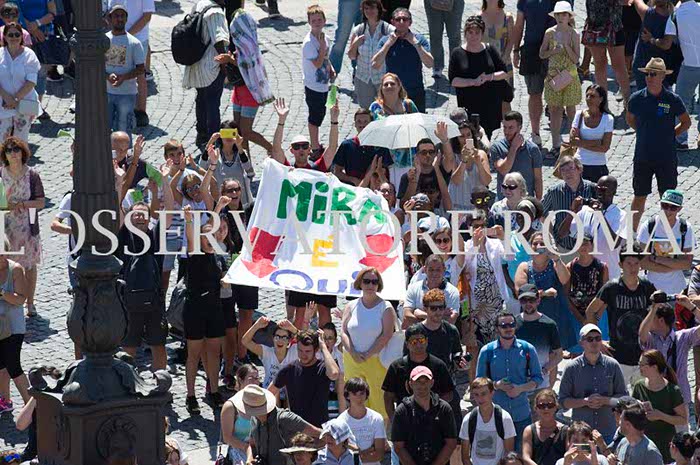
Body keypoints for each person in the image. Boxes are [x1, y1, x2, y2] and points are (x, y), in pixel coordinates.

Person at [626, 58, 691, 231]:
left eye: (653, 74)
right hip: (643, 156)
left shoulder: (672, 99)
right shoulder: (636, 98)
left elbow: (686, 122)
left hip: (666, 157)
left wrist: (670, 135)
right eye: (647, 73)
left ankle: (667, 234)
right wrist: (643, 131)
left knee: (667, 198)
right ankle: (631, 233)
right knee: (639, 196)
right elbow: (630, 119)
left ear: (662, 76)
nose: (649, 77)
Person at [117, 177, 173, 372]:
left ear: (149, 218)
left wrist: (164, 181)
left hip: (154, 301)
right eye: (136, 214)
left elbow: (169, 211)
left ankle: (161, 382)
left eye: (143, 214)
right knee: (128, 348)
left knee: (158, 346)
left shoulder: (156, 234)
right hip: (128, 302)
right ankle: (126, 383)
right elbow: (117, 210)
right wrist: (119, 183)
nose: (140, 217)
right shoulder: (123, 235)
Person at [585, 244, 657, 386]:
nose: (633, 268)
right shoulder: (612, 288)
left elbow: (657, 311)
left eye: (636, 263)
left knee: (641, 395)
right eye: (629, 263)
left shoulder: (646, 286)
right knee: (617, 395)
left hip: (642, 355)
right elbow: (590, 311)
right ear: (620, 265)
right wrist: (598, 340)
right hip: (617, 354)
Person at [476, 312, 544, 448]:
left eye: (511, 325)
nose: (508, 328)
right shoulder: (487, 351)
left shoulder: (527, 349)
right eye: (504, 325)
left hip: (521, 413)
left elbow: (538, 378)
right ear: (497, 328)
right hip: (495, 414)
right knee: (496, 454)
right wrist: (496, 385)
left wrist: (520, 388)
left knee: (520, 454)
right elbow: (478, 382)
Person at [182, 204, 226, 415]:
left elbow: (212, 227)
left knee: (214, 353)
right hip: (195, 310)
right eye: (206, 238)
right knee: (194, 353)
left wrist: (225, 281)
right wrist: (189, 219)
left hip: (214, 309)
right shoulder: (195, 253)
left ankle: (214, 390)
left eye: (214, 237)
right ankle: (190, 395)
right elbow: (192, 234)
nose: (211, 240)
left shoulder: (218, 257)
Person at [340, 267, 396, 419]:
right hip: (352, 360)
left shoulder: (386, 307)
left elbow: (387, 334)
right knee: (354, 400)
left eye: (374, 282)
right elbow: (343, 332)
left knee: (379, 402)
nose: (370, 285)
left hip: (376, 360)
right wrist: (353, 352)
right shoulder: (351, 305)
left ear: (379, 285)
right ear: (360, 283)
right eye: (366, 281)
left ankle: (380, 432)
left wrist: (368, 354)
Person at [559, 324, 627, 443]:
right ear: (581, 343)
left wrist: (605, 400)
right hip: (581, 436)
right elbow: (563, 401)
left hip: (608, 433)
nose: (594, 342)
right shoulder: (572, 368)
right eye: (590, 339)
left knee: (608, 456)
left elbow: (624, 399)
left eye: (598, 338)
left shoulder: (613, 365)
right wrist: (585, 402)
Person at [0, 137, 44, 318]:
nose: (13, 154)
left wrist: (23, 204)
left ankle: (30, 303)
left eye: (16, 149)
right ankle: (10, 299)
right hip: (5, 228)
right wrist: (8, 206)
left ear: (22, 152)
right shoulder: (1, 174)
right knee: (5, 265)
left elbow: (41, 202)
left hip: (27, 227)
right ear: (4, 155)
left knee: (30, 266)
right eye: (9, 150)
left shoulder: (32, 175)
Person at [448, 15, 510, 140]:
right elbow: (453, 80)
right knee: (470, 135)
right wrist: (473, 82)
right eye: (470, 32)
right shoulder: (457, 53)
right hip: (468, 102)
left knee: (487, 135)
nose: (474, 36)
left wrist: (489, 77)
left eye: (477, 33)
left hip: (490, 102)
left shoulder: (490, 49)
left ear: (482, 34)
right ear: (465, 33)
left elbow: (504, 72)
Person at [382, 323, 456, 420]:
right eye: (414, 342)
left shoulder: (438, 365)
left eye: (421, 340)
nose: (418, 345)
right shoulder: (396, 367)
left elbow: (448, 393)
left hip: (432, 420)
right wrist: (394, 420)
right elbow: (388, 396)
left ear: (427, 341)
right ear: (407, 344)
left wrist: (434, 409)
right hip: (406, 420)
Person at [514, 232, 574, 350]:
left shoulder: (555, 264)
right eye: (535, 243)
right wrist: (544, 293)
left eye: (542, 243)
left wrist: (557, 259)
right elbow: (520, 292)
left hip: (556, 316)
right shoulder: (524, 267)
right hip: (531, 317)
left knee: (555, 353)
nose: (538, 246)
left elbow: (565, 280)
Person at [269, 329, 340, 427]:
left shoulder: (323, 368)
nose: (303, 355)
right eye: (300, 350)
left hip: (320, 429)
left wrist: (323, 346)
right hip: (296, 430)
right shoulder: (289, 370)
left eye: (307, 351)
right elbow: (269, 393)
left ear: (316, 350)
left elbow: (334, 374)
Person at [639, 299, 700, 409]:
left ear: (661, 320)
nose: (647, 320)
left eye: (651, 317)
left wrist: (691, 306)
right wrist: (654, 308)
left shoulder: (683, 337)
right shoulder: (651, 339)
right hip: (656, 398)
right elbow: (642, 334)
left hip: (681, 398)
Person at [183, 0, 228, 147]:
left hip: (196, 62)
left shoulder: (199, 5)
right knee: (212, 102)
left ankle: (201, 134)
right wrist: (224, 64)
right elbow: (219, 40)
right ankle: (213, 139)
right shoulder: (216, 12)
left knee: (201, 99)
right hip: (211, 65)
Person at [391, 366, 458, 465]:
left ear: (432, 383)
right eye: (418, 381)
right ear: (410, 384)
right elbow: (398, 446)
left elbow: (451, 443)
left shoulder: (444, 409)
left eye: (426, 381)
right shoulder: (402, 411)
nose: (422, 385)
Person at [656, 0, 700, 151]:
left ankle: (681, 140)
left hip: (689, 64)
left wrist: (653, 41)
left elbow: (667, 44)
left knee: (681, 102)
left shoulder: (676, 14)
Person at [510, 0, 555, 148]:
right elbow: (519, 24)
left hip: (555, 51)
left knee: (556, 95)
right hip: (531, 50)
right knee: (534, 93)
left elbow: (569, 21)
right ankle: (535, 134)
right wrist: (516, 50)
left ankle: (556, 139)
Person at [240, 385, 322, 465]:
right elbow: (252, 444)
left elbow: (321, 434)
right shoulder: (254, 419)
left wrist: (307, 453)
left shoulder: (285, 418)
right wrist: (250, 459)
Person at [539, 1, 581, 158]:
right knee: (554, 110)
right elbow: (542, 54)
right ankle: (556, 144)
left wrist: (566, 46)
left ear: (569, 17)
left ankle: (572, 144)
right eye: (558, 15)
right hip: (554, 75)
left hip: (569, 75)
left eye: (564, 14)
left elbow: (576, 59)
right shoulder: (550, 32)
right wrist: (553, 51)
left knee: (571, 110)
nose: (561, 17)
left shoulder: (574, 34)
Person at [464, 216, 513, 347]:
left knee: (498, 336)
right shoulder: (466, 246)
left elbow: (510, 256)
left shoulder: (495, 244)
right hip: (476, 302)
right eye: (476, 226)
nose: (480, 229)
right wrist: (475, 246)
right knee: (479, 338)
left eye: (482, 226)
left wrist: (504, 238)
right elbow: (464, 267)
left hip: (496, 298)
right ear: (469, 228)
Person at [372, 8, 433, 112]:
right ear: (392, 22)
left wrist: (415, 43)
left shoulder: (419, 39)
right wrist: (388, 44)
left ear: (410, 22)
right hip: (393, 93)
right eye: (398, 19)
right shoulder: (385, 40)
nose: (401, 22)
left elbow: (430, 63)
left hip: (415, 90)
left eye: (405, 19)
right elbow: (375, 64)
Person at [565, 176, 626, 281]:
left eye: (603, 190)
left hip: (609, 275)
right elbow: (562, 233)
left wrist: (600, 215)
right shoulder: (585, 211)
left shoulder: (621, 215)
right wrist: (572, 211)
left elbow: (614, 243)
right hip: (584, 274)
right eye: (597, 189)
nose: (599, 193)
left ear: (613, 192)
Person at [632, 349, 687, 463]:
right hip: (644, 444)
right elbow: (632, 412)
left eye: (642, 365)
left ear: (654, 367)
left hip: (665, 445)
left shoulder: (672, 391)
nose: (639, 368)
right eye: (639, 364)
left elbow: (683, 419)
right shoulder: (638, 387)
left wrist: (660, 416)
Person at [637, 189, 695, 295]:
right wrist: (672, 266)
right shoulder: (649, 226)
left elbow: (687, 263)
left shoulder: (685, 228)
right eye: (665, 206)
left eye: (673, 207)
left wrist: (657, 259)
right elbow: (643, 262)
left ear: (679, 209)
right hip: (651, 287)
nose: (668, 211)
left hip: (677, 288)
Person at [108, 0, 155, 128]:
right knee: (116, 71)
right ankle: (117, 108)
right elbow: (110, 11)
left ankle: (141, 112)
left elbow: (147, 16)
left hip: (139, 38)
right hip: (118, 39)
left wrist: (127, 35)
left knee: (140, 75)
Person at [368, 72, 418, 186]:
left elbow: (417, 126)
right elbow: (370, 130)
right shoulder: (375, 107)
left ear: (399, 86)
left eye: (392, 84)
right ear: (381, 88)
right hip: (385, 159)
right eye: (386, 84)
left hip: (407, 158)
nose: (389, 86)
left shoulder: (408, 105)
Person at [542, 155, 597, 252]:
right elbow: (542, 213)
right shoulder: (554, 191)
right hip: (564, 247)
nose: (567, 173)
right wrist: (552, 237)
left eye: (571, 168)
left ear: (579, 169)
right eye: (563, 170)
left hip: (589, 249)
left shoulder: (592, 189)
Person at [104, 4, 144, 136]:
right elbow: (97, 66)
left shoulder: (135, 43)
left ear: (126, 19)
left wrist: (123, 78)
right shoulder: (104, 40)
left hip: (127, 94)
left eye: (122, 16)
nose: (119, 19)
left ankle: (126, 150)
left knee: (124, 129)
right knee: (104, 128)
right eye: (116, 16)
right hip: (106, 92)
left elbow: (140, 69)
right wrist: (107, 76)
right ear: (110, 19)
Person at [564, 234, 609, 350]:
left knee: (600, 346)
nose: (583, 247)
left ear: (592, 245)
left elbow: (606, 296)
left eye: (586, 244)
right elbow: (566, 295)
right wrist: (580, 318)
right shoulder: (570, 267)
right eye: (579, 243)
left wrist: (595, 317)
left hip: (598, 313)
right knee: (577, 349)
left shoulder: (602, 267)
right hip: (576, 313)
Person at [582, 0, 630, 108]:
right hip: (595, 26)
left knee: (619, 66)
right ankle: (603, 104)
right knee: (600, 65)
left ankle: (628, 103)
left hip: (614, 26)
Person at [347, 0, 394, 109]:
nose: (369, 11)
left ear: (379, 9)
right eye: (366, 9)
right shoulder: (359, 30)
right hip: (363, 78)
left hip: (382, 78)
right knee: (366, 112)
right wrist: (356, 44)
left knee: (385, 111)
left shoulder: (388, 29)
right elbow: (352, 56)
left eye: (372, 8)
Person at [515, 283, 563, 390]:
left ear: (538, 300)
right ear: (519, 302)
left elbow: (559, 354)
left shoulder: (549, 325)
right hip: (518, 384)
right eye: (524, 300)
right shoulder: (513, 324)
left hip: (541, 385)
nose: (528, 304)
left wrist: (545, 370)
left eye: (531, 300)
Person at [0, 239, 29, 414]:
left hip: (14, 327)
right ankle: (5, 401)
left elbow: (20, 299)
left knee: (13, 366)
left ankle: (32, 405)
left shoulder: (15, 269)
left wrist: (2, 293)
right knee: (1, 366)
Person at [461, 377, 517, 465]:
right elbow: (465, 456)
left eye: (483, 394)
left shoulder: (505, 418)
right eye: (476, 394)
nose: (480, 398)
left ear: (492, 393)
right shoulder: (468, 419)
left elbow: (508, 453)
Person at [302, 5, 334, 155]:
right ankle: (315, 148)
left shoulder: (324, 38)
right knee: (314, 117)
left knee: (321, 114)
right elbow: (317, 63)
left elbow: (325, 58)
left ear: (324, 21)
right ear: (309, 22)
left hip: (323, 84)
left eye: (319, 20)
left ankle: (316, 144)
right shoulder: (309, 43)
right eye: (313, 20)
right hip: (313, 85)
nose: (317, 23)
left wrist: (331, 68)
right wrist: (321, 48)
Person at [0, 22, 39, 142]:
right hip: (3, 104)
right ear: (5, 37)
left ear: (22, 36)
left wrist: (16, 99)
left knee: (21, 141)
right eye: (10, 35)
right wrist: (7, 97)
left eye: (17, 34)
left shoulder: (29, 55)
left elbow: (31, 81)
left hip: (24, 103)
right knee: (2, 140)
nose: (14, 37)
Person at [491, 111, 543, 200]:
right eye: (505, 127)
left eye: (510, 128)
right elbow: (503, 170)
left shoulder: (532, 149)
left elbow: (537, 178)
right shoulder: (497, 147)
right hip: (504, 200)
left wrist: (538, 200)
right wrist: (514, 147)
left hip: (525, 200)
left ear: (520, 127)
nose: (506, 131)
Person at [333, 108, 393, 185]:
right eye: (359, 121)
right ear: (355, 124)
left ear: (371, 124)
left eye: (365, 122)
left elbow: (386, 174)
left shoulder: (381, 147)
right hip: (353, 189)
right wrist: (353, 180)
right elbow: (337, 172)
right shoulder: (346, 145)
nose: (362, 125)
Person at [569, 85, 614, 183]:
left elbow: (604, 148)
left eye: (592, 96)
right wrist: (596, 142)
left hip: (598, 166)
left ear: (601, 99)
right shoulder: (579, 115)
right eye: (587, 96)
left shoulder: (608, 119)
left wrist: (581, 143)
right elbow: (573, 141)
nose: (588, 99)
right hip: (578, 164)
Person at [337, 378, 386, 465]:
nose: (359, 397)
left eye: (362, 393)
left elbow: (379, 454)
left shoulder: (377, 418)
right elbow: (339, 454)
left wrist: (355, 455)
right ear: (347, 395)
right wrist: (367, 452)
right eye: (354, 394)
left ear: (366, 394)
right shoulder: (340, 421)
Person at [447, 115, 491, 211]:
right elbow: (456, 181)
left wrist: (478, 162)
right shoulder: (453, 155)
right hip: (458, 205)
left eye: (468, 135)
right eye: (462, 136)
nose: (466, 139)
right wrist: (464, 160)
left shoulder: (481, 154)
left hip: (477, 206)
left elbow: (486, 181)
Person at [403, 255, 460, 327]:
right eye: (431, 270)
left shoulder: (452, 292)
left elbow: (451, 320)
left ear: (444, 270)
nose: (434, 273)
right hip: (418, 333)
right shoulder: (413, 288)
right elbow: (407, 315)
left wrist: (422, 314)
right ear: (425, 270)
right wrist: (440, 317)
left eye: (438, 270)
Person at [628, 0, 673, 92]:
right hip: (663, 67)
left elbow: (637, 1)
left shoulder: (647, 13)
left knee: (644, 96)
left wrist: (651, 39)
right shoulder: (673, 16)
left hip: (643, 66)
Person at [242, 317, 298, 389]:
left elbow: (308, 342)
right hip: (269, 392)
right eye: (277, 337)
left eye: (284, 338)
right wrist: (256, 325)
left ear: (289, 341)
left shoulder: (294, 351)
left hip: (289, 393)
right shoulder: (266, 352)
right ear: (273, 338)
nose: (280, 341)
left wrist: (293, 329)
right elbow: (245, 341)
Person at [220, 364, 261, 465]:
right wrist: (247, 448)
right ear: (241, 380)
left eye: (257, 378)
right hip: (239, 449)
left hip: (260, 448)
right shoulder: (230, 406)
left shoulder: (263, 402)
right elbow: (227, 438)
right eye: (251, 379)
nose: (255, 382)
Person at [481, 0, 515, 116]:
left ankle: (508, 126)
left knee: (505, 101)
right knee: (485, 101)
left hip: (504, 64)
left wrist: (504, 57)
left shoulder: (508, 18)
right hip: (485, 66)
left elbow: (511, 40)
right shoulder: (478, 18)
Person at [522, 390, 567, 465]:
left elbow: (569, 455)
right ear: (536, 408)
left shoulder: (566, 431)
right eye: (541, 406)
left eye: (550, 405)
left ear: (556, 407)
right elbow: (526, 457)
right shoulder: (529, 430)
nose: (546, 409)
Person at [424, 0, 464, 80]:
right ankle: (437, 66)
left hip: (455, 3)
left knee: (454, 36)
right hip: (432, 3)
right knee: (435, 36)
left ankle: (455, 66)